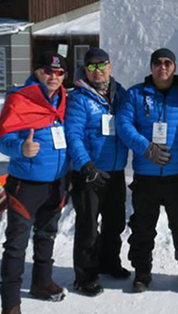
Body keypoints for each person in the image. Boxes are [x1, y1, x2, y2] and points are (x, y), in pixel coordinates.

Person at [116, 48, 178, 293]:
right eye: (157, 63)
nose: (162, 67)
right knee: (142, 228)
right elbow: (123, 125)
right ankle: (142, 272)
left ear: (174, 67)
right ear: (151, 67)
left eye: (167, 63)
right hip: (146, 177)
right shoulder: (136, 94)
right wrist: (146, 148)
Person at [0, 52, 70, 314]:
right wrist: (20, 148)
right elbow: (1, 140)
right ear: (37, 71)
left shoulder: (64, 100)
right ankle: (11, 303)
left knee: (47, 235)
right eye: (48, 71)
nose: (54, 77)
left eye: (59, 73)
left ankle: (42, 282)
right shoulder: (20, 99)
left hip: (56, 182)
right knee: (16, 244)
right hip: (26, 185)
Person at [65, 48, 130, 297]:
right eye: (91, 66)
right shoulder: (79, 98)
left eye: (101, 65)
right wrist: (86, 165)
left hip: (115, 171)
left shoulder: (119, 94)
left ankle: (109, 262)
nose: (97, 70)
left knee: (115, 222)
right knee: (88, 226)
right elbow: (73, 135)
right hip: (89, 172)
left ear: (110, 66)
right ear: (85, 70)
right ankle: (85, 276)